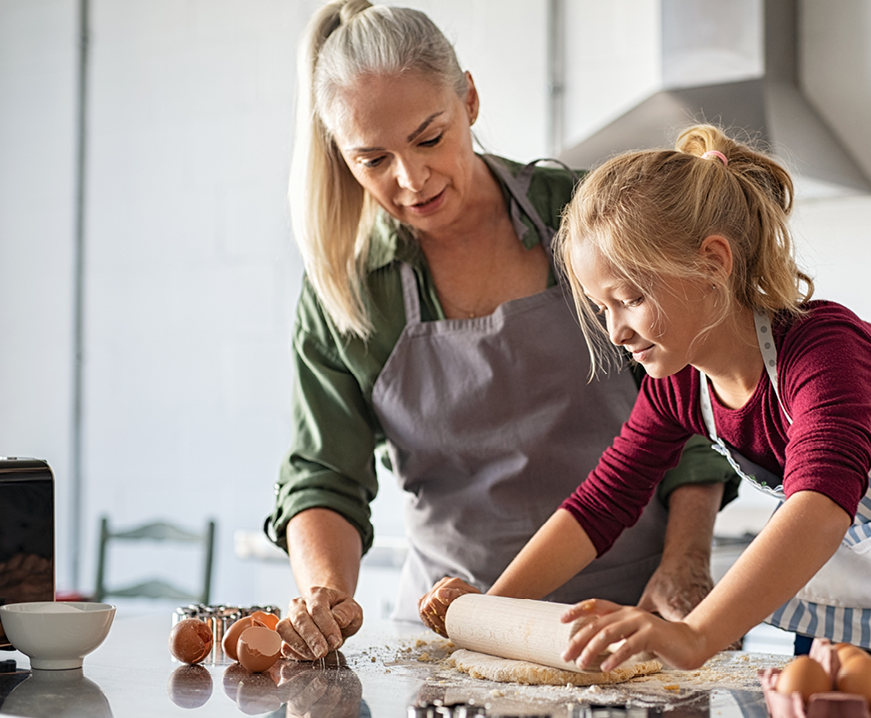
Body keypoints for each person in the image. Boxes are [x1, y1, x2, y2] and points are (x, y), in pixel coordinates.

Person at [420, 124, 871, 671]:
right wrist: (490, 608)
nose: (616, 331)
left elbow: (820, 505)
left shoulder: (824, 350)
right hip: (849, 556)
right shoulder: (680, 386)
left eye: (631, 298)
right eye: (601, 308)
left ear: (713, 262)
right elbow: (602, 503)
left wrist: (695, 635)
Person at [263, 1, 739, 662]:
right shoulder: (346, 291)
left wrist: (686, 565)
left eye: (429, 138)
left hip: (631, 623)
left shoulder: (584, 219)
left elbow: (694, 400)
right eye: (372, 160)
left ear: (471, 99)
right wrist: (324, 595)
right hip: (453, 636)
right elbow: (325, 477)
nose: (411, 179)